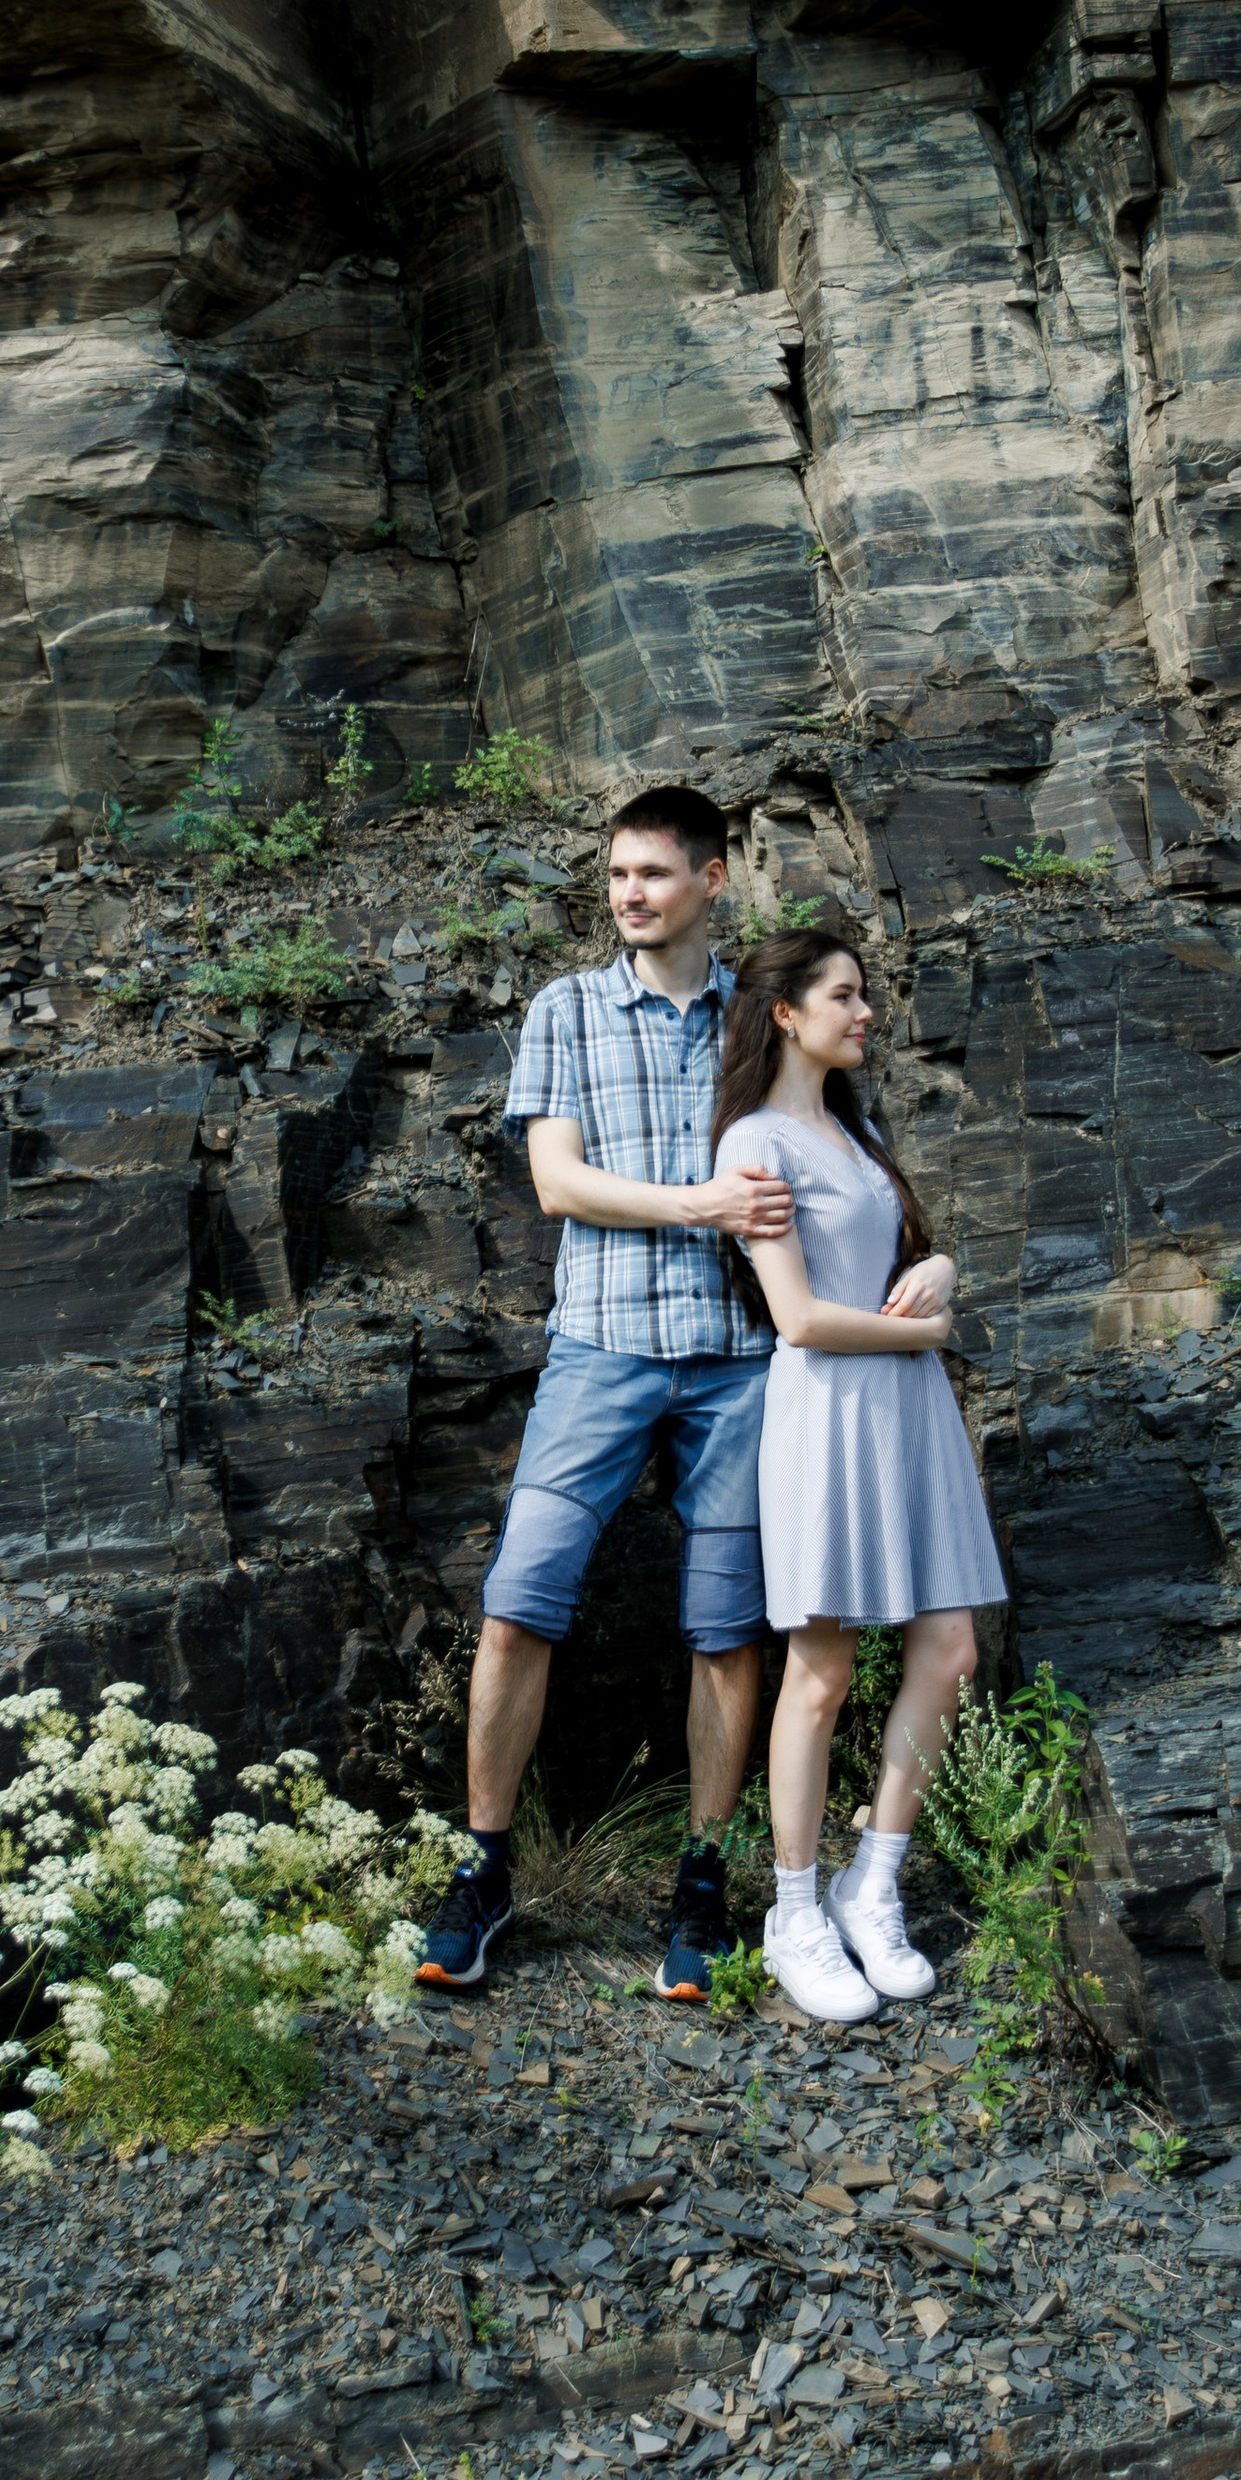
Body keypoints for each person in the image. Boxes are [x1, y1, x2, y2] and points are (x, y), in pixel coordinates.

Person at [415, 784, 793, 2004]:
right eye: (618, 875)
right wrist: (701, 1206)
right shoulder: (566, 1007)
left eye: (653, 874)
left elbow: (844, 1159)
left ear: (712, 880)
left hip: (743, 1358)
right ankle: (483, 1872)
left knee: (728, 1628)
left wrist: (922, 1259)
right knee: (520, 1602)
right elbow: (559, 1183)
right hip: (600, 1349)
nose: (629, 894)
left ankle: (700, 1879)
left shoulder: (763, 1018)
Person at [709, 928, 1006, 2023]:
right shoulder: (753, 1142)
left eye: (864, 994)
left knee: (951, 1646)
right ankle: (792, 1912)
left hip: (904, 1413)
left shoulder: (856, 1127)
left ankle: (869, 1882)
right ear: (785, 1011)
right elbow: (796, 1316)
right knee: (820, 1674)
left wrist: (940, 1264)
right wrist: (931, 1336)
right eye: (844, 994)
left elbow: (899, 1266)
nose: (865, 1010)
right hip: (831, 1411)